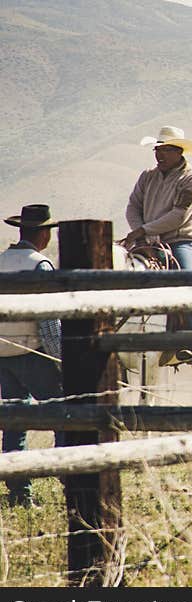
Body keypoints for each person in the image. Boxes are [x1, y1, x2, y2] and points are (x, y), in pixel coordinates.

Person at [124, 125, 192, 365]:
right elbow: (132, 206)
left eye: (166, 150)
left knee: (187, 279)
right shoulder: (147, 176)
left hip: (179, 240)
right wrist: (140, 232)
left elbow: (179, 216)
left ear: (180, 151)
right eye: (157, 149)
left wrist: (144, 230)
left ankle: (190, 342)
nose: (159, 154)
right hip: (145, 239)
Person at [0, 205, 65, 507]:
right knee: (63, 417)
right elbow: (49, 324)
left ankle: (19, 492)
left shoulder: (2, 261)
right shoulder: (40, 265)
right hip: (32, 352)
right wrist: (61, 359)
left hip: (4, 354)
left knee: (14, 423)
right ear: (43, 234)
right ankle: (74, 480)